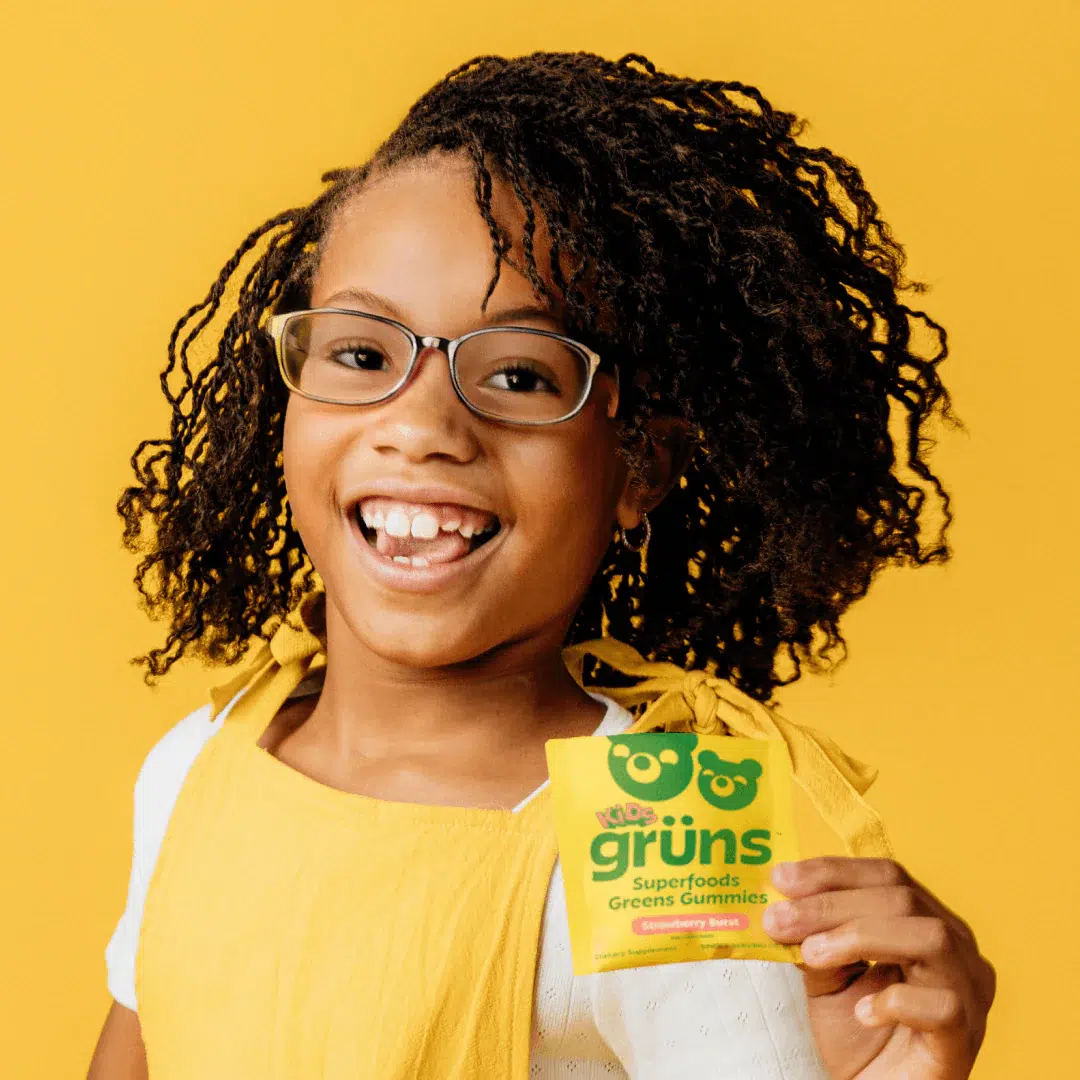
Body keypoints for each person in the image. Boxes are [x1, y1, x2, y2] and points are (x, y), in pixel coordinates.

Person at [87, 50, 995, 1079]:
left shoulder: (664, 828)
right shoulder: (197, 762)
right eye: (362, 354)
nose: (421, 425)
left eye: (519, 373)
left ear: (639, 468)